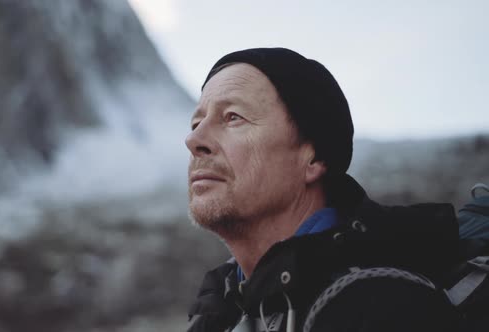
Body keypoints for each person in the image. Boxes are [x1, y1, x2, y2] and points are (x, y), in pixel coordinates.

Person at [185, 48, 460, 332]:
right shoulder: (217, 313)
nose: (193, 139)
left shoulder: (383, 308)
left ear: (314, 158)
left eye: (233, 117)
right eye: (196, 123)